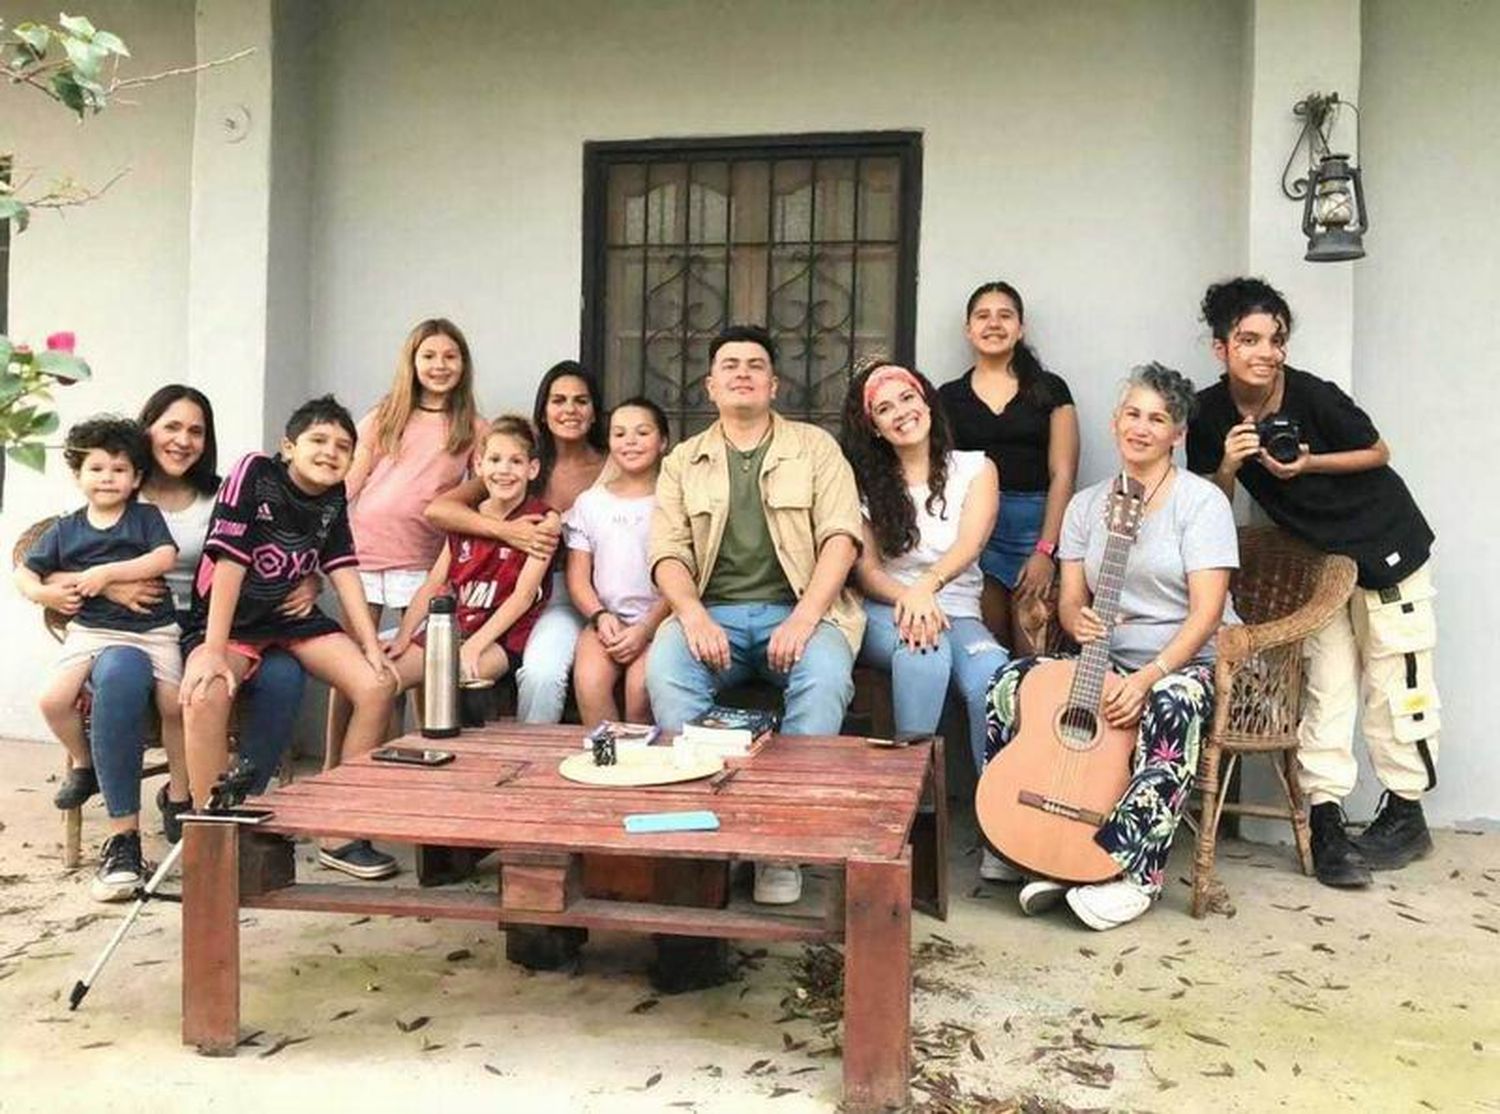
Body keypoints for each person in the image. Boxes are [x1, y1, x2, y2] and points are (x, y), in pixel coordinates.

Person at [1187, 277, 1440, 889]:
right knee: (1325, 685)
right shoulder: (1208, 412)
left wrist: (1305, 462)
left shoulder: (1314, 395)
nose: (1265, 351)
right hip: (1321, 561)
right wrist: (1228, 463)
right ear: (1221, 347)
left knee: (1394, 678)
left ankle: (1406, 813)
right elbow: (1207, 507)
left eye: (1275, 339)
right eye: (1248, 339)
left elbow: (1378, 452)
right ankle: (1326, 818)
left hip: (1387, 544)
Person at [984, 364, 1237, 930]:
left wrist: (1146, 679)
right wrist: (1080, 622)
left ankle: (1134, 873)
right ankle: (1024, 839)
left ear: (1178, 435)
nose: (1141, 428)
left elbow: (1207, 614)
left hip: (1181, 661)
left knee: (1171, 703)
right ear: (1114, 421)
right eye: (1132, 414)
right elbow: (1072, 599)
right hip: (1107, 655)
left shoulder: (1201, 504)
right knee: (1011, 679)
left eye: (1158, 419)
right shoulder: (1087, 505)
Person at [647, 324, 864, 905]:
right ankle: (701, 832)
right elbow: (667, 554)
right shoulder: (682, 462)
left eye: (755, 365)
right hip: (711, 616)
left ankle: (779, 845)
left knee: (823, 680)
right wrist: (691, 614)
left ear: (775, 384)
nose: (742, 373)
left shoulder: (816, 449)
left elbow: (841, 540)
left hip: (800, 612)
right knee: (667, 668)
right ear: (710, 385)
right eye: (730, 365)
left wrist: (804, 618)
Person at [180, 395, 400, 880]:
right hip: (230, 621)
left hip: (291, 619)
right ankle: (214, 835)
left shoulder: (335, 493)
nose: (330, 452)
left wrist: (368, 645)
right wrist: (214, 650)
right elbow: (229, 561)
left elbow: (342, 567)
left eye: (343, 446)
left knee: (378, 684)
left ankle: (340, 832)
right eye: (318, 440)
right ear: (289, 446)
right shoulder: (255, 472)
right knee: (204, 694)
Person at [16, 416, 183, 901]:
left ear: (135, 479)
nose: (107, 477)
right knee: (52, 700)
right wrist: (45, 595)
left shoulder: (144, 518)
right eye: (97, 468)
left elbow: (163, 559)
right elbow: (27, 573)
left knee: (175, 707)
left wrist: (108, 572)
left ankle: (180, 794)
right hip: (92, 630)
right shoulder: (67, 529)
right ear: (78, 474)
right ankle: (86, 764)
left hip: (154, 631)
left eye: (119, 469)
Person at [841, 359, 1007, 781]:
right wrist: (911, 597)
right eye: (884, 408)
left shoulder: (976, 468)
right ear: (874, 427)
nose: (901, 412)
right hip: (889, 608)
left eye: (907, 398)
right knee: (924, 650)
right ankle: (909, 795)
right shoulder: (862, 485)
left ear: (927, 404)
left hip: (958, 608)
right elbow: (869, 571)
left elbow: (971, 543)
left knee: (994, 679)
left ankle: (997, 821)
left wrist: (927, 588)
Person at [328, 319, 486, 750]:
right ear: (412, 362)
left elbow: (479, 496)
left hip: (423, 558)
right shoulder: (385, 416)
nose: (439, 365)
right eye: (429, 356)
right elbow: (348, 483)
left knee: (423, 665)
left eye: (450, 356)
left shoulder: (473, 427)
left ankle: (423, 754)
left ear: (464, 365)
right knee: (352, 666)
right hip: (364, 554)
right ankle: (334, 763)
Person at [426, 361, 604, 722]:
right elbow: (440, 511)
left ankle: (528, 767)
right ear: (543, 410)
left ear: (595, 411)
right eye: (558, 400)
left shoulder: (612, 465)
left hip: (574, 595)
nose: (569, 409)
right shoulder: (519, 463)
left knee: (543, 673)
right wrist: (507, 531)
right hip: (513, 590)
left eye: (581, 401)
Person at [939, 281, 1078, 654]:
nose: (994, 324)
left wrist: (1046, 551)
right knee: (989, 653)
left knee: (1033, 656)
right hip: (976, 534)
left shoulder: (1051, 389)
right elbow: (942, 476)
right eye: (982, 316)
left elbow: (1063, 474)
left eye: (1005, 315)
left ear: (1021, 328)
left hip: (1036, 526)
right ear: (969, 329)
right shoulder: (947, 397)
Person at [383, 416, 553, 695]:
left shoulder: (543, 520)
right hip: (456, 627)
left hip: (501, 637)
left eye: (516, 461)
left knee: (451, 680)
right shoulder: (467, 518)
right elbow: (432, 585)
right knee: (383, 677)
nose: (504, 470)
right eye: (495, 460)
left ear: (532, 469)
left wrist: (474, 647)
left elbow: (523, 597)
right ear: (478, 465)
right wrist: (404, 636)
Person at [565, 398, 672, 725]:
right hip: (606, 620)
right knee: (590, 684)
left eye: (642, 432)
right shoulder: (590, 502)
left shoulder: (674, 499)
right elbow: (579, 577)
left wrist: (646, 628)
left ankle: (643, 770)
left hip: (663, 622)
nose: (630, 442)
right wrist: (599, 615)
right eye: (619, 433)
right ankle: (609, 768)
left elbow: (689, 576)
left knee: (640, 693)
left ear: (663, 441)